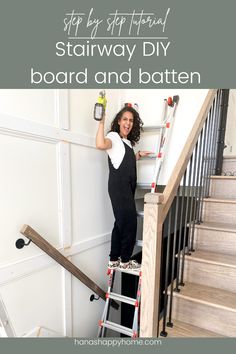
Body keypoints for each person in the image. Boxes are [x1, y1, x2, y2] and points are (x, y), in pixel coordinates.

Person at [96, 106, 152, 270]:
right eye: (125, 119)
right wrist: (101, 122)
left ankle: (114, 259)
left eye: (131, 120)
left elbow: (123, 160)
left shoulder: (126, 143)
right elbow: (100, 144)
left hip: (126, 188)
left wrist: (138, 156)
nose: (128, 123)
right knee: (130, 223)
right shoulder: (113, 137)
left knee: (119, 223)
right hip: (118, 186)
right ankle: (125, 261)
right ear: (119, 121)